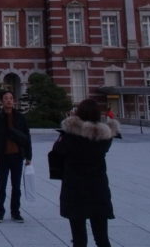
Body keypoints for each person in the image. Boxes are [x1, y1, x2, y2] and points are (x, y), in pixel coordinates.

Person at [49, 99, 120, 247]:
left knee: (79, 238)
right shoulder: (104, 137)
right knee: (102, 238)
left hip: (75, 189)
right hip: (98, 188)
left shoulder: (70, 136)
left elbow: (57, 151)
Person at [0, 90, 32, 223]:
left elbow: (27, 137)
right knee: (2, 185)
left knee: (16, 187)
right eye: (6, 98)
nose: (9, 101)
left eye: (11, 98)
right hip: (2, 156)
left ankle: (15, 212)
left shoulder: (20, 117)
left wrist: (29, 156)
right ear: (1, 101)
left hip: (17, 156)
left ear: (14, 101)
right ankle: (0, 211)